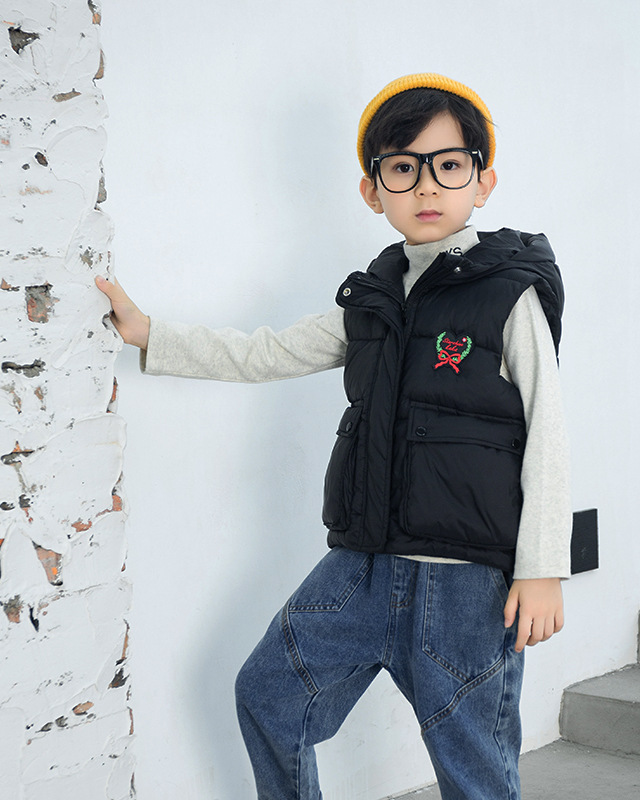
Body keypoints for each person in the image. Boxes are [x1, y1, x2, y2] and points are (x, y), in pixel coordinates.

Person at [97, 73, 571, 800]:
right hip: (362, 568)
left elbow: (548, 431)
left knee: (475, 772)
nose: (426, 185)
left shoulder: (510, 294)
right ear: (372, 191)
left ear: (483, 180)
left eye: (448, 164)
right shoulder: (373, 301)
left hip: (464, 586)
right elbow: (266, 353)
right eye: (402, 167)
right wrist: (150, 335)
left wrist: (542, 569)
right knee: (268, 695)